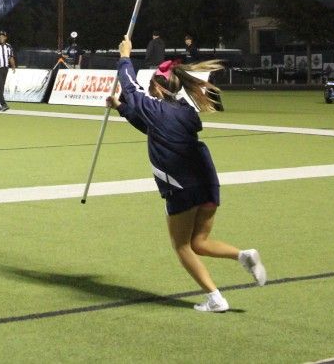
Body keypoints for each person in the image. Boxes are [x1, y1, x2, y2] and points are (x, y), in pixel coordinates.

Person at [107, 36, 265, 312]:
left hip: (182, 185)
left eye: (150, 86)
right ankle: (243, 255)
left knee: (182, 246)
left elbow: (130, 87)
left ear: (158, 86)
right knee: (199, 242)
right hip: (207, 182)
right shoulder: (184, 112)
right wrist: (121, 108)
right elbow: (152, 128)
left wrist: (124, 56)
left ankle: (216, 299)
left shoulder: (155, 108)